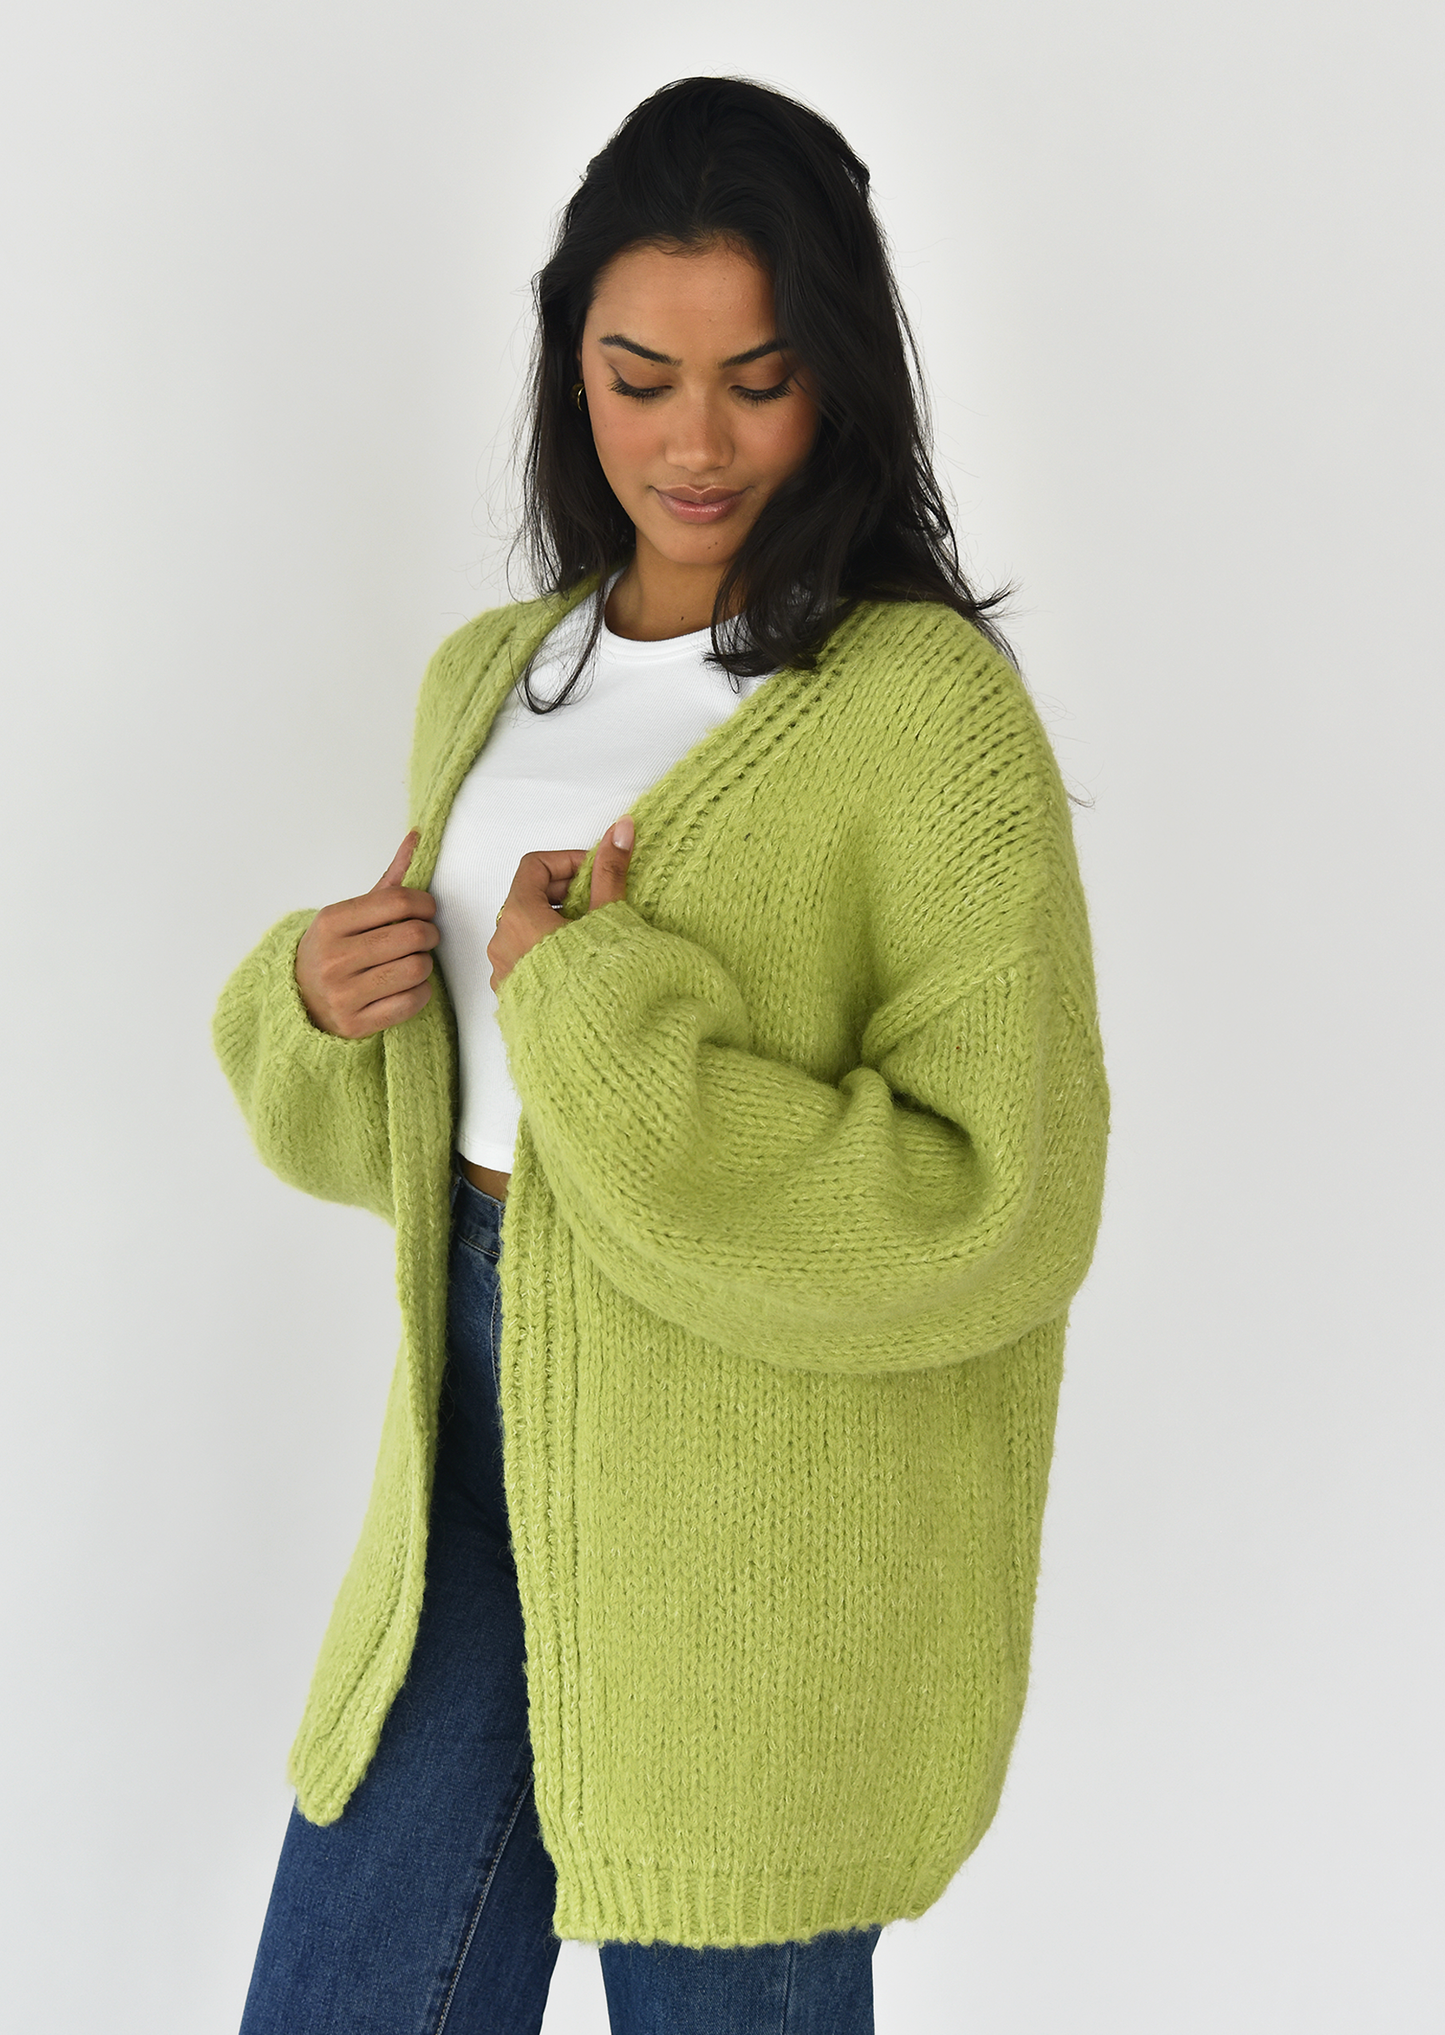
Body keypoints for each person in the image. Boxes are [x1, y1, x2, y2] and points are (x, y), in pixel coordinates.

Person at [214, 74, 1110, 2035]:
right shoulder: (489, 677)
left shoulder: (921, 714)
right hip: (463, 1447)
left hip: (751, 1521)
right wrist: (319, 1008)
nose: (693, 442)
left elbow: (1006, 1203)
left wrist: (601, 1024)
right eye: (639, 378)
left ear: (839, 380)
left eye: (757, 379)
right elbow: (419, 1132)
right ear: (572, 368)